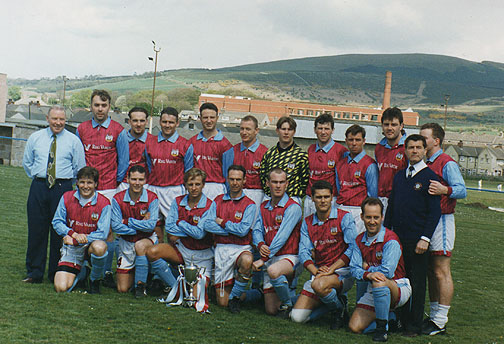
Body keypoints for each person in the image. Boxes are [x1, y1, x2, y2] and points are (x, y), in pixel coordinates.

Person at [384, 134, 441, 337]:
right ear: (405, 150)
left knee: (416, 282)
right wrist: (385, 232)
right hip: (396, 239)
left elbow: (435, 212)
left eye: (418, 147)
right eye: (410, 147)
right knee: (399, 280)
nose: (414, 151)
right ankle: (400, 320)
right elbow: (391, 207)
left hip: (417, 241)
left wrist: (425, 238)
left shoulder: (431, 178)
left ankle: (414, 325)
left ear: (425, 151)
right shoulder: (400, 176)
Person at [22, 105, 86, 283]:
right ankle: (34, 272)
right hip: (39, 186)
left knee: (60, 231)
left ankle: (56, 272)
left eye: (62, 119)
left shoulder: (73, 141)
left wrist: (65, 183)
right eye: (55, 119)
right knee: (36, 230)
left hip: (62, 188)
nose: (58, 122)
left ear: (66, 120)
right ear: (47, 119)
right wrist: (40, 177)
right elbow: (28, 163)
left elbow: (79, 167)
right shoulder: (35, 138)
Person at [76, 89, 129, 288]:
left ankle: (105, 272)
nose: (100, 109)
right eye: (96, 105)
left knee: (107, 232)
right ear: (91, 106)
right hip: (85, 188)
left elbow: (123, 161)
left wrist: (112, 182)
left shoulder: (118, 130)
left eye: (104, 105)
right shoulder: (81, 128)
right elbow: (79, 158)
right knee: (83, 227)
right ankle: (80, 267)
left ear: (109, 107)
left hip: (107, 187)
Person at [420, 123, 466, 336]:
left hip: (443, 221)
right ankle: (434, 315)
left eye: (425, 138)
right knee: (431, 270)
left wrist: (445, 189)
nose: (421, 141)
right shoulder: (425, 162)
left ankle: (441, 320)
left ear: (436, 141)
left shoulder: (447, 162)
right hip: (428, 220)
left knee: (441, 270)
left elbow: (462, 190)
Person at [291, 180, 357, 329]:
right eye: (319, 197)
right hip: (319, 273)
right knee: (297, 318)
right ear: (312, 198)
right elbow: (303, 251)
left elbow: (353, 248)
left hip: (341, 272)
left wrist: (332, 269)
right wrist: (316, 271)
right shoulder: (307, 222)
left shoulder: (344, 217)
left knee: (319, 285)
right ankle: (337, 303)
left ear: (332, 197)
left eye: (326, 197)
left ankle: (337, 310)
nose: (323, 201)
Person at [146, 168, 215, 307]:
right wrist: (191, 230)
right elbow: (170, 228)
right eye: (190, 184)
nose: (194, 188)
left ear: (203, 185)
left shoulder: (210, 205)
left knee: (195, 299)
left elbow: (200, 234)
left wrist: (181, 223)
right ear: (185, 185)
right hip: (183, 249)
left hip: (203, 255)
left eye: (197, 184)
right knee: (152, 252)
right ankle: (174, 287)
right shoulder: (177, 202)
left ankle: (203, 285)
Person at [348, 197, 411, 342]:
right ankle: (391, 318)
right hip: (374, 286)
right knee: (354, 327)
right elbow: (353, 269)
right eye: (368, 217)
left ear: (382, 217)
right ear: (362, 216)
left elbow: (387, 272)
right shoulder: (358, 240)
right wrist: (368, 274)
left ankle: (382, 330)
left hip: (398, 285)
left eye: (376, 217)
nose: (372, 221)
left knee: (380, 281)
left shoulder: (390, 240)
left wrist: (367, 269)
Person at [205, 165, 256, 313]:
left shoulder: (250, 204)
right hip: (221, 248)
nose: (235, 183)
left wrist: (223, 222)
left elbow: (243, 231)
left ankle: (235, 299)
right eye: (232, 179)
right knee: (222, 303)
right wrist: (231, 231)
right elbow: (207, 225)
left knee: (247, 260)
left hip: (241, 248)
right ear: (227, 180)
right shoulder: (218, 200)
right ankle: (253, 295)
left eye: (238, 179)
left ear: (244, 180)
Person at [252, 168, 302, 318]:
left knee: (273, 271)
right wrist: (260, 244)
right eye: (274, 182)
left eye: (281, 182)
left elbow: (281, 237)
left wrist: (262, 259)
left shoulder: (293, 207)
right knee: (271, 310)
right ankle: (302, 298)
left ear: (287, 184)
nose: (278, 186)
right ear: (268, 183)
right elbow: (256, 230)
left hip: (290, 257)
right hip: (271, 257)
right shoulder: (263, 206)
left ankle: (288, 304)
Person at [52, 166, 110, 294]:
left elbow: (103, 233)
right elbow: (56, 221)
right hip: (72, 248)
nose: (85, 186)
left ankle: (94, 280)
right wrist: (73, 234)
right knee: (61, 288)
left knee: (100, 247)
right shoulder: (67, 197)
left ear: (95, 184)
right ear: (77, 182)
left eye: (89, 182)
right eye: (82, 182)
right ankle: (83, 272)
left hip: (89, 247)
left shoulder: (104, 203)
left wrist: (79, 240)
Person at [145, 107, 193, 243]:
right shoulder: (149, 143)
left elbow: (188, 172)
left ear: (177, 123)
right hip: (153, 189)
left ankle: (174, 262)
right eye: (164, 122)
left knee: (174, 232)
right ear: (160, 122)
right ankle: (157, 262)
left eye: (171, 122)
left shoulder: (185, 144)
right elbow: (149, 167)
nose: (167, 125)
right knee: (154, 230)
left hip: (174, 191)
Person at [111, 165, 159, 298]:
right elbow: (115, 227)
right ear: (127, 179)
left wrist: (127, 221)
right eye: (134, 179)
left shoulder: (152, 197)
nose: (137, 183)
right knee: (122, 288)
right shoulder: (117, 198)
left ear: (145, 180)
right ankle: (141, 272)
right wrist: (140, 224)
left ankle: (141, 284)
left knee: (141, 246)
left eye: (140, 179)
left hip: (146, 240)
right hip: (126, 242)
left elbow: (150, 227)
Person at [336, 124, 378, 233]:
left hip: (358, 210)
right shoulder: (340, 164)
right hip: (341, 208)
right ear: (346, 141)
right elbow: (339, 188)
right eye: (351, 140)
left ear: (364, 141)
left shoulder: (370, 165)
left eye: (357, 140)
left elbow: (372, 194)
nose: (354, 143)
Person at [223, 115, 268, 212]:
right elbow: (226, 178)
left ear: (256, 130)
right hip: (235, 195)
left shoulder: (265, 153)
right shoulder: (231, 152)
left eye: (248, 129)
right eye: (242, 129)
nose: (244, 132)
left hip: (257, 196)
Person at [304, 114, 347, 217]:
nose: (323, 132)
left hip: (329, 200)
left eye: (327, 128)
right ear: (315, 130)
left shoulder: (341, 151)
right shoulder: (310, 149)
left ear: (333, 130)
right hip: (311, 199)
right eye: (320, 128)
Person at [259, 116, 309, 205]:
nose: (286, 132)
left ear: (294, 132)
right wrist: (270, 193)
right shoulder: (269, 154)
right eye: (283, 129)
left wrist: (296, 195)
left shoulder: (301, 155)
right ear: (277, 131)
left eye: (289, 129)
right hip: (271, 199)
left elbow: (305, 180)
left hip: (292, 199)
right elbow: (263, 176)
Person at [189, 102, 232, 200]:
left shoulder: (225, 145)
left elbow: (228, 173)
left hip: (217, 189)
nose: (209, 121)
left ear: (217, 118)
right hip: (196, 188)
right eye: (205, 117)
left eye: (212, 117)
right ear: (200, 118)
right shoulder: (192, 142)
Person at [374, 107, 407, 212]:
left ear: (401, 126)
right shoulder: (379, 148)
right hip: (380, 200)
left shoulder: (408, 147)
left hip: (400, 200)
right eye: (386, 124)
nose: (389, 128)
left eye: (394, 125)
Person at [117, 107, 152, 191]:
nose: (138, 124)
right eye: (135, 120)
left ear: (147, 122)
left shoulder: (153, 140)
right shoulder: (120, 139)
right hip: (123, 183)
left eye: (142, 121)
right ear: (129, 122)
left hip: (145, 184)